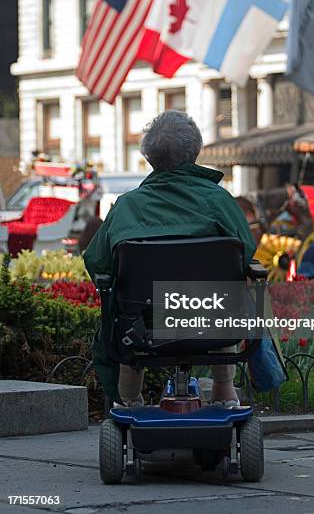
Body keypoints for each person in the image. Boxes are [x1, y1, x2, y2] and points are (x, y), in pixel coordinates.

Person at [84, 111, 256, 408]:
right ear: (195, 152)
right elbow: (247, 254)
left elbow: (97, 263)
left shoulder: (127, 207)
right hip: (211, 320)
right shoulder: (219, 200)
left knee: (126, 311)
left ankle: (130, 401)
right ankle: (224, 391)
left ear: (150, 158)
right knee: (228, 296)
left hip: (142, 327)